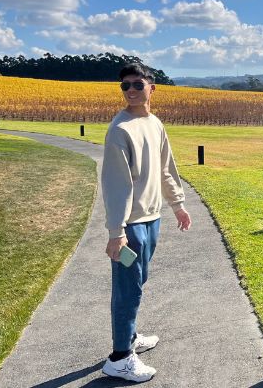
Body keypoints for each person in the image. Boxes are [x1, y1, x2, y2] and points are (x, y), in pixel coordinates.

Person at [100, 63, 192, 382]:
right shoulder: (120, 130)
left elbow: (166, 168)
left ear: (152, 87)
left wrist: (177, 205)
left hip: (152, 219)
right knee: (128, 290)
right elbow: (116, 186)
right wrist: (117, 233)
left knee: (138, 283)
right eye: (125, 86)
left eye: (137, 84)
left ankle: (130, 336)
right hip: (131, 225)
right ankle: (120, 357)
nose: (131, 91)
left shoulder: (155, 124)